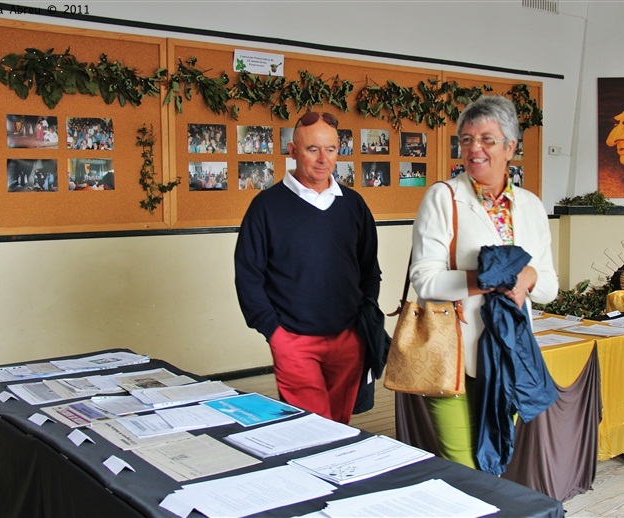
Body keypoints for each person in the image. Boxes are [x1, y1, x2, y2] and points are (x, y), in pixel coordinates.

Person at [409, 95, 558, 470]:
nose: (475, 149)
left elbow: (549, 287)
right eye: (467, 140)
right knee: (462, 468)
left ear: (510, 147)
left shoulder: (531, 206)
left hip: (506, 355)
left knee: (493, 462)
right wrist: (490, 280)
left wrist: (529, 276)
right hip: (451, 354)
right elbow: (424, 280)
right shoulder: (443, 198)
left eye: (487, 140)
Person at [234, 111, 381, 424]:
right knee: (310, 429)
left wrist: (362, 322)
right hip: (293, 339)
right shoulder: (267, 206)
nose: (322, 159)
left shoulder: (353, 204)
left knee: (339, 427)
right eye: (313, 149)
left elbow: (370, 268)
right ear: (293, 152)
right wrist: (274, 332)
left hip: (348, 338)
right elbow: (249, 275)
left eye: (330, 149)